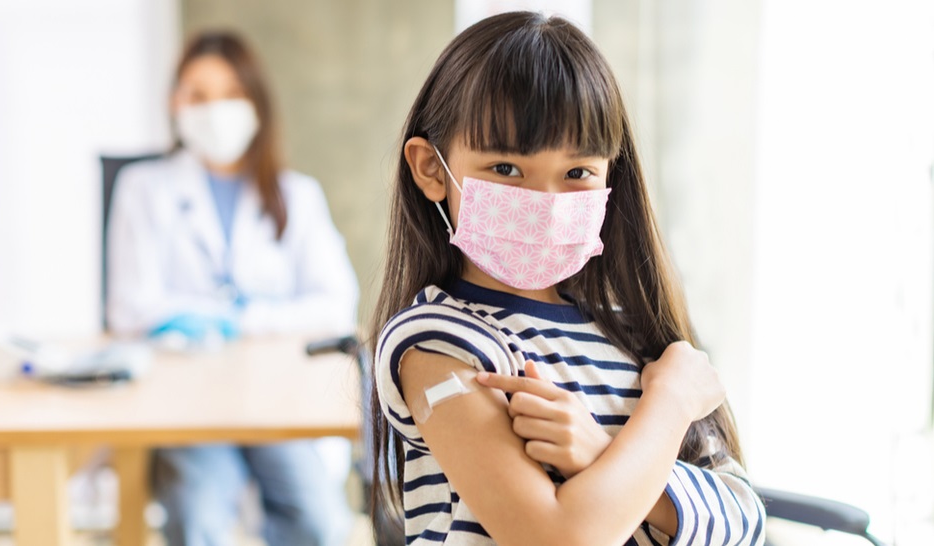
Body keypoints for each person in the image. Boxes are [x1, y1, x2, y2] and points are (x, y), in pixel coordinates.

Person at [371, 11, 766, 546]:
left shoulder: (635, 334)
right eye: (506, 169)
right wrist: (669, 404)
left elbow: (743, 520)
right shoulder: (438, 344)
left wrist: (596, 454)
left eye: (577, 173)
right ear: (431, 169)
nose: (546, 202)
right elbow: (560, 538)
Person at [107, 31, 357, 546]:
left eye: (230, 94)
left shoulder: (296, 195)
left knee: (320, 521)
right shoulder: (144, 189)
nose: (214, 110)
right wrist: (246, 315)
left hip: (277, 398)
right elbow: (131, 308)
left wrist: (241, 319)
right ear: (175, 104)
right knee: (198, 519)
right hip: (187, 402)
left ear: (255, 104)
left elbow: (335, 304)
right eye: (198, 95)